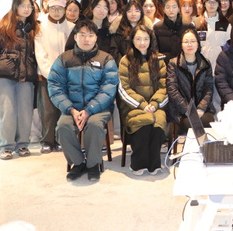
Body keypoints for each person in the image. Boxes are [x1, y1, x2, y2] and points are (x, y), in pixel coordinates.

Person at [48, 20, 118, 181]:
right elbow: (55, 86)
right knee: (63, 127)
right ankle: (78, 163)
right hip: (72, 108)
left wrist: (89, 110)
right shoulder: (64, 59)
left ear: (96, 38)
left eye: (90, 35)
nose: (86, 39)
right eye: (82, 35)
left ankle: (93, 164)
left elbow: (108, 89)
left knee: (94, 125)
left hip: (99, 108)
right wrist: (71, 109)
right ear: (75, 37)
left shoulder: (106, 59)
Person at [0, 0, 39, 160]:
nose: (26, 9)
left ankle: (22, 144)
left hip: (26, 77)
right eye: (23, 6)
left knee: (25, 112)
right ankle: (6, 146)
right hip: (4, 76)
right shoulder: (4, 26)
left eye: (29, 6)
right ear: (15, 7)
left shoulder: (33, 28)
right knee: (7, 111)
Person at [118, 25, 167, 175]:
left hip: (155, 105)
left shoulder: (159, 59)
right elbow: (124, 89)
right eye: (138, 39)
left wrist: (154, 104)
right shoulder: (125, 60)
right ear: (132, 40)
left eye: (146, 39)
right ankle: (139, 163)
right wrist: (143, 105)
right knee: (143, 123)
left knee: (157, 123)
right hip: (133, 106)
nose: (142, 43)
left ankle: (154, 163)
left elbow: (164, 87)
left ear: (151, 40)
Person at [34, 0, 75, 154]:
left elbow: (73, 52)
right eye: (53, 8)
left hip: (66, 76)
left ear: (65, 10)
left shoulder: (71, 27)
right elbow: (40, 53)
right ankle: (47, 140)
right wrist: (50, 73)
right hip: (46, 76)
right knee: (47, 110)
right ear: (48, 9)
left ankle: (60, 140)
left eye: (60, 8)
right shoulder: (41, 27)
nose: (56, 12)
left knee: (63, 109)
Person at [167, 28, 216, 134]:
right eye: (186, 42)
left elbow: (209, 88)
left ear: (198, 44)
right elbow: (172, 90)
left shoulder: (206, 63)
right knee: (191, 124)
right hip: (181, 111)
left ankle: (205, 145)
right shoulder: (173, 63)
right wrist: (189, 111)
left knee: (208, 121)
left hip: (202, 109)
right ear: (181, 45)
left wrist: (201, 108)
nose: (189, 44)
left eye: (193, 41)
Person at [195, 0, 231, 111]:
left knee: (217, 100)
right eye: (209, 2)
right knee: (200, 98)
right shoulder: (197, 22)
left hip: (219, 68)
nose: (211, 4)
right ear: (204, 4)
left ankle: (216, 120)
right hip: (201, 67)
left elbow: (229, 47)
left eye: (214, 2)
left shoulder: (225, 23)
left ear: (218, 4)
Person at [110, 0, 154, 64]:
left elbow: (153, 48)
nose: (133, 14)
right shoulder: (118, 30)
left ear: (141, 13)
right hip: (124, 65)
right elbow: (114, 51)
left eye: (137, 11)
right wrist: (124, 64)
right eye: (129, 11)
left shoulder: (148, 29)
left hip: (145, 64)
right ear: (125, 13)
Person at [153, 0, 185, 64]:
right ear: (164, 9)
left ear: (179, 9)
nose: (171, 10)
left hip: (183, 65)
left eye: (174, 7)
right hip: (165, 64)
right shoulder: (157, 28)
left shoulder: (187, 26)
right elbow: (155, 50)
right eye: (168, 7)